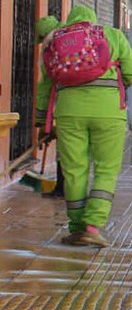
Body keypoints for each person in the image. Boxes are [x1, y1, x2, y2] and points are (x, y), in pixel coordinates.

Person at [35, 5, 132, 247]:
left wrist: (42, 121)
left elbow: (45, 87)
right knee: (106, 169)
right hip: (109, 112)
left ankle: (76, 227)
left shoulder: (55, 42)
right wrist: (118, 85)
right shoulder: (112, 35)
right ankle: (93, 226)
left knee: (74, 171)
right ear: (93, 20)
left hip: (69, 112)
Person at [35, 15, 65, 198]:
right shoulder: (78, 41)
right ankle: (75, 190)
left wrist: (41, 122)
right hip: (103, 107)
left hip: (67, 106)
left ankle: (62, 188)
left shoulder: (51, 49)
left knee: (65, 148)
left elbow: (46, 87)